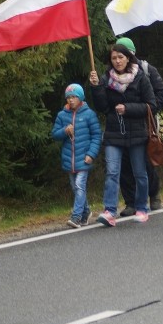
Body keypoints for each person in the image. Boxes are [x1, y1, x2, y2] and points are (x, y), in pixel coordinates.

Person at [89, 44, 157, 226]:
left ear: (128, 58)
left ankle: (142, 208)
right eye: (114, 58)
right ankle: (109, 211)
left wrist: (128, 109)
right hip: (114, 132)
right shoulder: (105, 79)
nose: (117, 61)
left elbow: (151, 105)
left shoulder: (140, 78)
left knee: (139, 173)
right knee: (112, 172)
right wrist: (96, 88)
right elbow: (102, 107)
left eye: (120, 57)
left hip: (137, 133)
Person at [113, 37, 163, 215]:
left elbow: (162, 94)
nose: (120, 59)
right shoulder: (112, 73)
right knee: (124, 164)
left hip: (145, 124)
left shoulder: (146, 70)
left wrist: (148, 110)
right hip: (122, 125)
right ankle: (130, 202)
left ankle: (153, 194)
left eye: (126, 53)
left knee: (145, 162)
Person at [51, 84, 102, 229]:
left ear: (80, 98)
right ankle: (86, 212)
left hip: (84, 158)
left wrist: (91, 154)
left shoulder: (89, 114)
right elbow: (55, 134)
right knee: (75, 188)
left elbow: (96, 136)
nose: (71, 100)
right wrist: (64, 131)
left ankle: (76, 216)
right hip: (69, 159)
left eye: (74, 97)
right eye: (68, 97)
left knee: (80, 186)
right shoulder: (62, 115)